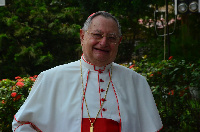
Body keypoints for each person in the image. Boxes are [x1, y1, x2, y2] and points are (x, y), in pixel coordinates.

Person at [12, 11, 163, 132]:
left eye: (111, 37)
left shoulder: (136, 82)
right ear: (82, 36)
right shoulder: (51, 78)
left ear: (119, 42)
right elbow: (22, 125)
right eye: (97, 35)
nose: (103, 42)